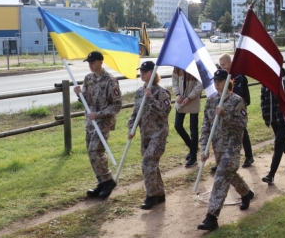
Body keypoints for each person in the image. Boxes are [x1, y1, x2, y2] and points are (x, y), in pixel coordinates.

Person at [197, 69, 255, 232]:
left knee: (221, 176)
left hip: (232, 146)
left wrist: (225, 115)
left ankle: (211, 217)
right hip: (218, 148)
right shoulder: (210, 100)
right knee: (229, 174)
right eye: (215, 80)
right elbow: (205, 126)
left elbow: (241, 125)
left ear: (228, 81)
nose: (216, 83)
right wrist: (204, 147)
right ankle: (246, 193)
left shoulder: (237, 100)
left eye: (220, 80)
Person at [73, 51, 122, 199]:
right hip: (90, 122)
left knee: (96, 150)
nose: (90, 65)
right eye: (89, 63)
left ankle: (108, 181)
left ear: (101, 62)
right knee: (91, 151)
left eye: (93, 62)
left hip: (104, 121)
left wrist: (99, 115)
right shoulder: (88, 78)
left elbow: (117, 105)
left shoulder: (110, 81)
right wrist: (79, 94)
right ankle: (101, 182)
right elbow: (87, 102)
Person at [128, 61, 172, 209]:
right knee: (152, 165)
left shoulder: (161, 92)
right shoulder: (140, 92)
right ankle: (159, 194)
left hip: (158, 134)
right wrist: (131, 127)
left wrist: (151, 97)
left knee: (147, 163)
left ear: (153, 73)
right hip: (145, 134)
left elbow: (165, 111)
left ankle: (151, 196)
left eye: (145, 71)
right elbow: (135, 112)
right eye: (141, 71)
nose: (142, 73)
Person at [261, 68, 285, 185]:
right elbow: (263, 100)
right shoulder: (267, 81)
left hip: (284, 118)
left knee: (278, 143)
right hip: (273, 118)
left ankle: (271, 175)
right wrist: (265, 114)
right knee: (282, 141)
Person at [219, 54, 254, 168]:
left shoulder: (238, 76)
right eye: (220, 65)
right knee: (226, 132)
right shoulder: (225, 76)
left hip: (239, 107)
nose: (222, 67)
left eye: (223, 64)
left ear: (230, 63)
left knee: (242, 131)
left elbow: (238, 95)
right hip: (227, 107)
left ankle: (249, 156)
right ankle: (223, 160)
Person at [172, 67, 203, 168]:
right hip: (180, 100)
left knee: (193, 130)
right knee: (177, 125)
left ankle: (193, 157)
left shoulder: (197, 65)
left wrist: (190, 97)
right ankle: (193, 148)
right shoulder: (178, 65)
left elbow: (200, 83)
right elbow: (174, 80)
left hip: (193, 101)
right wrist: (177, 94)